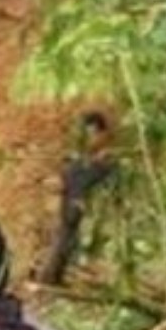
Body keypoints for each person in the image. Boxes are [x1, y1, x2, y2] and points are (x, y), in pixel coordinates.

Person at [41, 109, 115, 285]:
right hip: (74, 201)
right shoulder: (82, 159)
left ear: (102, 133)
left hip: (82, 202)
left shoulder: (102, 158)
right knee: (65, 237)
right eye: (89, 134)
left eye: (93, 134)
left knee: (68, 238)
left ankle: (53, 276)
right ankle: (51, 277)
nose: (91, 139)